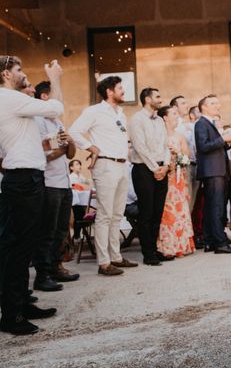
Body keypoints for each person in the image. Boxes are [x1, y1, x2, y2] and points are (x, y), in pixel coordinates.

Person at [0, 56, 63, 335]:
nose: (23, 74)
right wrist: (56, 79)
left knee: (24, 246)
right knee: (17, 249)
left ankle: (22, 303)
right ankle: (11, 315)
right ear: (5, 74)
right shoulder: (7, 98)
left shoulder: (11, 100)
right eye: (19, 70)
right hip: (22, 180)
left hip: (27, 178)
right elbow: (55, 108)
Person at [69, 76, 138, 276]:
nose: (123, 91)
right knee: (105, 215)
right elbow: (74, 131)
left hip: (122, 165)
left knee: (117, 214)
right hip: (105, 164)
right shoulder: (94, 111)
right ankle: (104, 262)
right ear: (109, 91)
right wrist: (91, 147)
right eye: (120, 88)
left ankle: (116, 256)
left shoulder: (122, 114)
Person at [32, 81, 80, 290]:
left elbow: (70, 153)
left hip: (64, 183)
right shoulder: (38, 121)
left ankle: (56, 267)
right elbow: (46, 155)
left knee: (61, 230)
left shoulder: (57, 121)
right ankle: (43, 275)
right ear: (45, 97)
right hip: (49, 183)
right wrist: (63, 146)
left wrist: (69, 143)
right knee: (47, 232)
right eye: (56, 97)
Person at [129, 87, 171, 266]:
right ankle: (147, 253)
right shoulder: (137, 119)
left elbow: (165, 144)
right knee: (146, 212)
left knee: (157, 212)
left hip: (161, 168)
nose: (160, 99)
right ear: (147, 99)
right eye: (157, 96)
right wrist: (155, 168)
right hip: (143, 169)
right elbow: (139, 146)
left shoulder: (160, 120)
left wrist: (166, 166)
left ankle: (154, 248)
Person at [195, 94, 231, 254]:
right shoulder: (201, 123)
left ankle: (210, 242)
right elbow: (203, 146)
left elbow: (213, 147)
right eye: (213, 103)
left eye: (218, 103)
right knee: (216, 207)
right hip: (212, 171)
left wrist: (227, 146)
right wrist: (223, 139)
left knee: (211, 208)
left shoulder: (210, 123)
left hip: (216, 169)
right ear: (204, 107)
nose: (218, 105)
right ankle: (220, 244)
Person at [156, 106, 195, 257]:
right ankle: (166, 245)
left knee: (181, 209)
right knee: (166, 210)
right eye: (173, 113)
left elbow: (187, 156)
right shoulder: (159, 135)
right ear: (165, 117)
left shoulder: (179, 136)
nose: (177, 116)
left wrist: (178, 155)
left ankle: (181, 244)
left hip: (179, 177)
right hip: (164, 176)